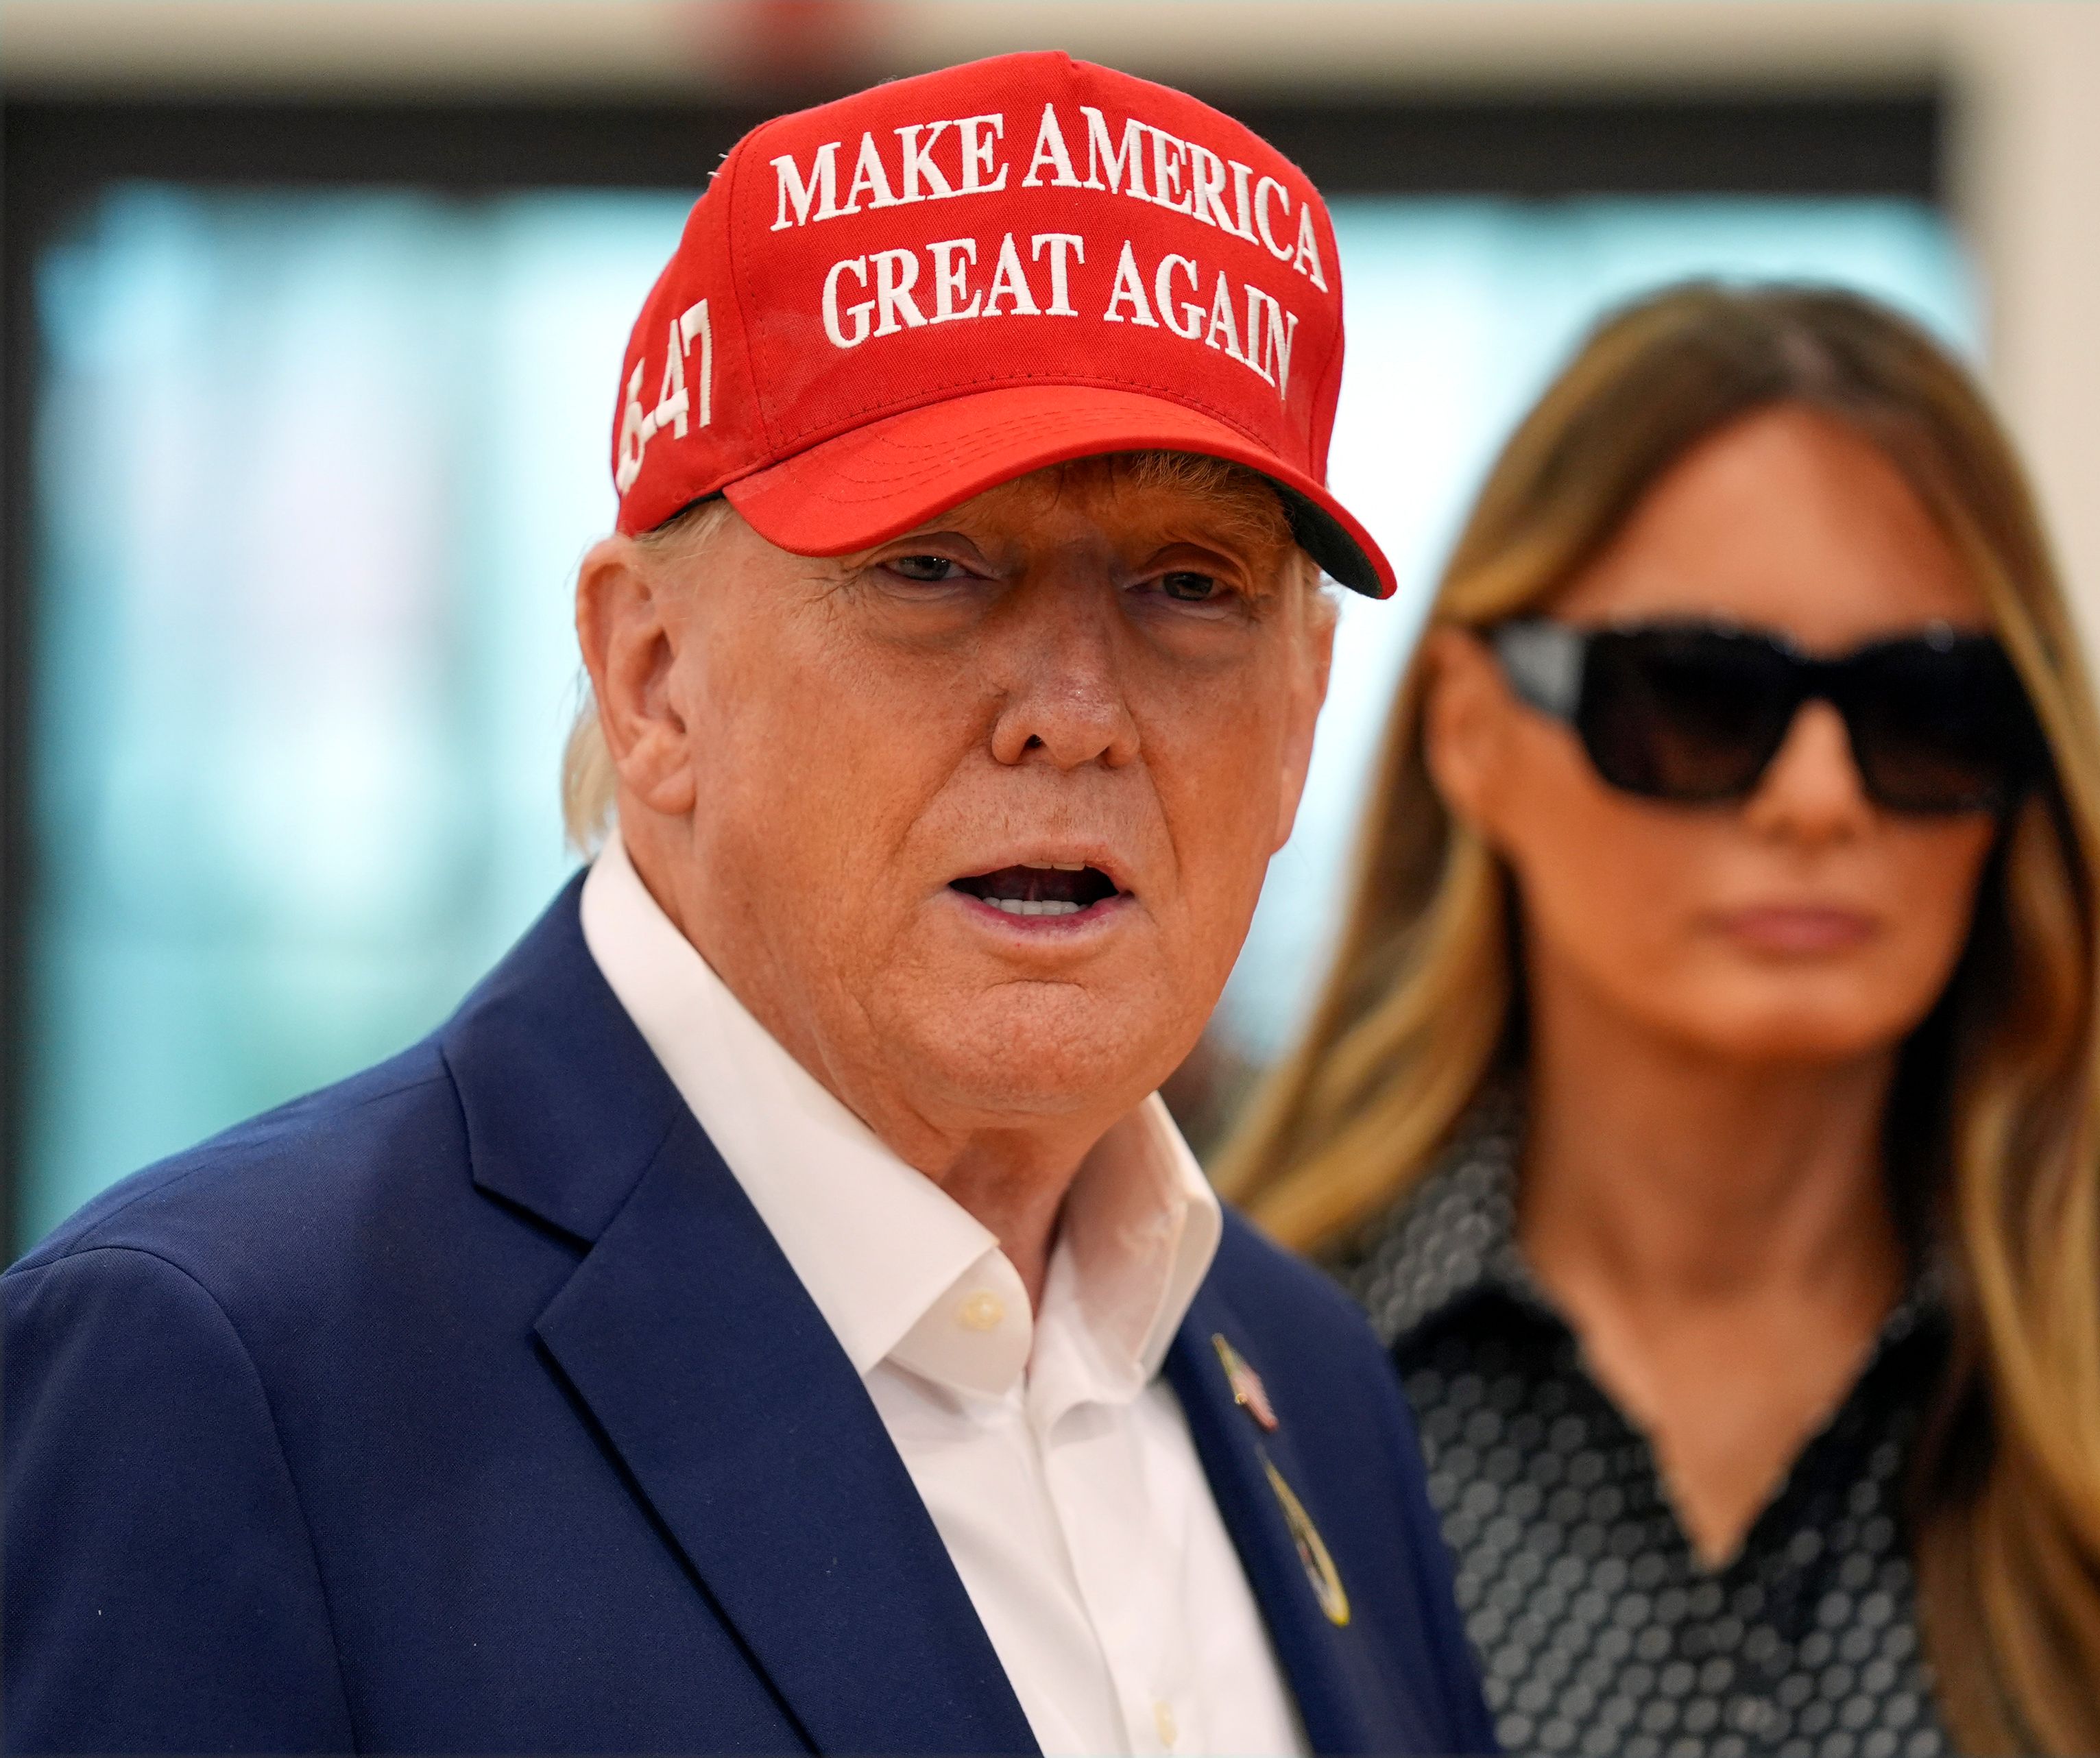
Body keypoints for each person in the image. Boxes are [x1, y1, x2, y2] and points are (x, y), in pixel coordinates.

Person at [4, 53, 1495, 1757]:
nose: (1075, 709)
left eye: (1189, 585)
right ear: (651, 679)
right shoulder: (226, 1368)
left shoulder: (1312, 1381)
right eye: (933, 566)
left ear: (1305, 718)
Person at [1218, 283, 2100, 1757]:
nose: (1817, 798)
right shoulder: (1215, 1389)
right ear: (1472, 732)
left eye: (1923, 709)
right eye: (1698, 697)